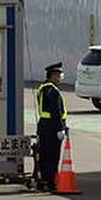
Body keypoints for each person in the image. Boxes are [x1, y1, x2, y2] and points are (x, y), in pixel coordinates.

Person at [35, 62, 68, 192]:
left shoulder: (43, 87)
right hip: (52, 128)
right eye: (58, 75)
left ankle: (43, 180)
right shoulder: (53, 91)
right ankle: (50, 182)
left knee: (44, 155)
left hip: (43, 126)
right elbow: (56, 112)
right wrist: (60, 128)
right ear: (53, 76)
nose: (60, 77)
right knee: (52, 156)